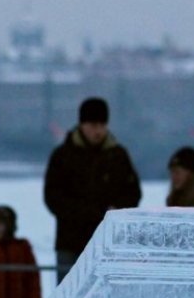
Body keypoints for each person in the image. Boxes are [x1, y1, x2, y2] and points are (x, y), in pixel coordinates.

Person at [44, 97, 141, 281]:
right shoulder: (63, 156)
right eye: (93, 124)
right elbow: (53, 197)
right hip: (71, 242)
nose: (98, 130)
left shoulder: (118, 156)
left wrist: (116, 209)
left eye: (102, 125)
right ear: (82, 124)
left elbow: (133, 192)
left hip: (109, 243)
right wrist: (86, 213)